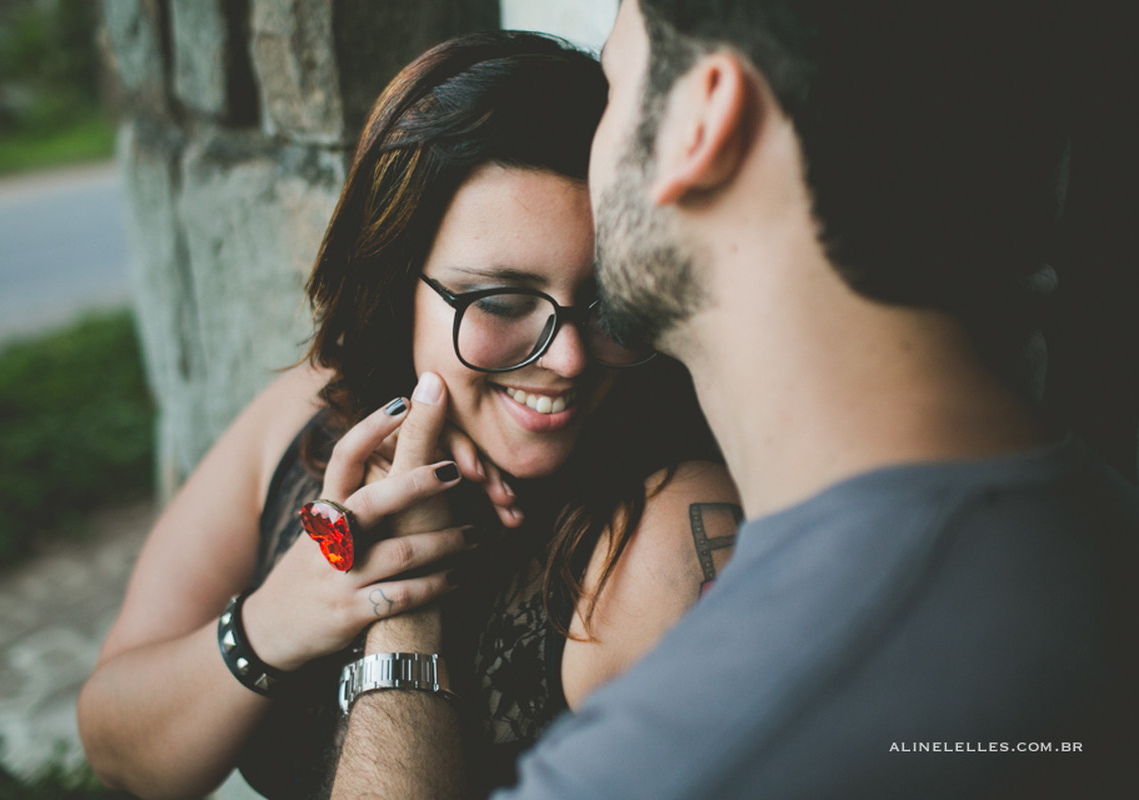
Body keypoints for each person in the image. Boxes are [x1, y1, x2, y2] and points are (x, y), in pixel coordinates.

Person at [315, 2, 1137, 799]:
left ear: (700, 121)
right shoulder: (1077, 534)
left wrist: (401, 621)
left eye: (617, 77)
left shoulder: (700, 751)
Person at [77, 31, 739, 800]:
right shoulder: (305, 414)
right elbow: (116, 743)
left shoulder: (662, 540)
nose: (568, 360)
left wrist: (401, 606)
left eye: (605, 303)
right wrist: (276, 622)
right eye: (500, 301)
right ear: (397, 289)